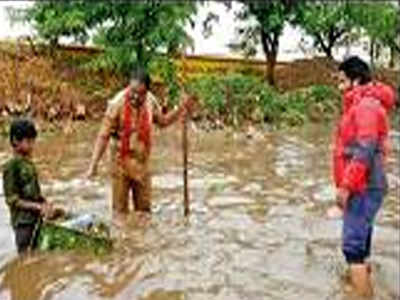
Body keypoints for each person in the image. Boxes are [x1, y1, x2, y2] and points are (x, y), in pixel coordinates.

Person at [87, 66, 194, 221]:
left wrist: (180, 109)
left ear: (146, 92)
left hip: (142, 163)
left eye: (140, 94)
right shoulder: (117, 103)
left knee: (144, 213)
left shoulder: (150, 101)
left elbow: (162, 122)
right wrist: (93, 165)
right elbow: (103, 136)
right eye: (132, 92)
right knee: (120, 214)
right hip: (120, 164)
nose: (135, 97)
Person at [329, 56, 395, 296]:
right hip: (366, 184)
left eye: (342, 80)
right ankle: (359, 287)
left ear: (355, 81)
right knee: (362, 244)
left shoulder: (365, 106)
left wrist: (345, 187)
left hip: (363, 186)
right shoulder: (361, 104)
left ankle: (362, 291)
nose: (339, 86)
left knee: (352, 248)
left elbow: (365, 150)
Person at [2, 119, 55, 254]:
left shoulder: (29, 164)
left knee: (36, 255)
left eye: (33, 141)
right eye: (28, 141)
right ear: (15, 141)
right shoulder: (11, 167)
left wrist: (44, 203)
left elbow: (33, 193)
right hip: (22, 223)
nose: (32, 145)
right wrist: (37, 207)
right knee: (25, 255)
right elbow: (11, 200)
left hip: (35, 219)